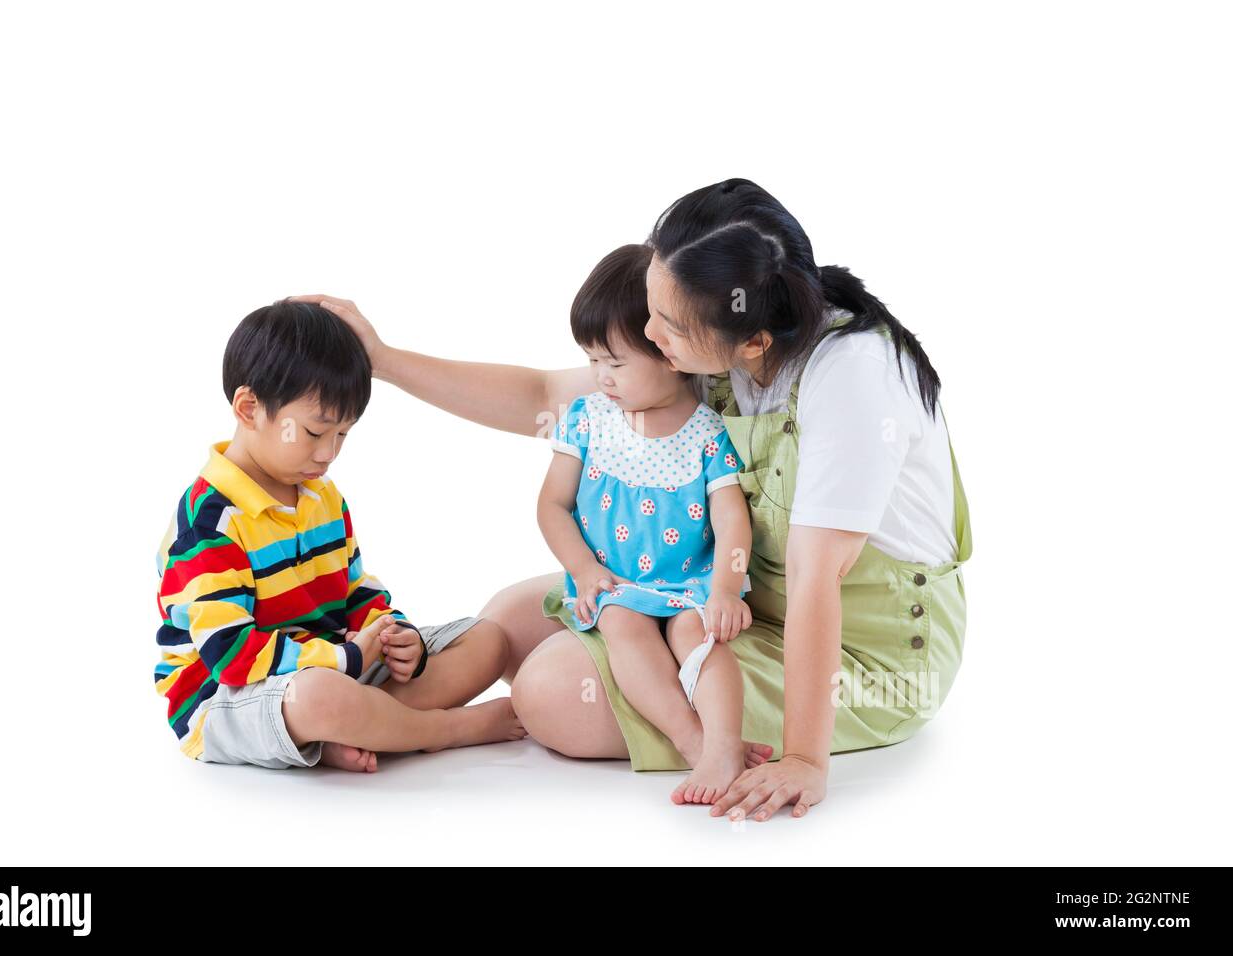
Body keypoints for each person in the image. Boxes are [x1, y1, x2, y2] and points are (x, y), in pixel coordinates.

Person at [291, 176, 971, 820]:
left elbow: (816, 576)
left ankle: (687, 737)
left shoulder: (851, 377)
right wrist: (382, 359)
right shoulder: (727, 329)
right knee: (510, 618)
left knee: (550, 690)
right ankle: (376, 718)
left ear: (753, 337)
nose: (647, 336)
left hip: (861, 651)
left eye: (666, 327)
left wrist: (804, 760)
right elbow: (542, 399)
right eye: (651, 307)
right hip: (732, 597)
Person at [153, 299, 525, 772]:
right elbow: (231, 657)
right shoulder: (210, 524)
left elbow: (354, 590)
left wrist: (395, 634)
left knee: (488, 641)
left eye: (343, 435)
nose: (328, 454)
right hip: (230, 697)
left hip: (335, 659)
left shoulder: (320, 497)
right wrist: (344, 658)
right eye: (314, 432)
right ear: (249, 408)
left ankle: (358, 731)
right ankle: (442, 730)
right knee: (319, 697)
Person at [537, 243, 759, 805]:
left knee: (698, 638)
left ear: (669, 352)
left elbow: (732, 519)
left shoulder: (706, 431)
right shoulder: (588, 420)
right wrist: (585, 572)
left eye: (615, 362)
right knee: (624, 631)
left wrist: (726, 592)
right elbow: (552, 506)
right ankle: (692, 742)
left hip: (691, 583)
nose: (600, 376)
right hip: (618, 586)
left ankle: (725, 740)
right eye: (592, 360)